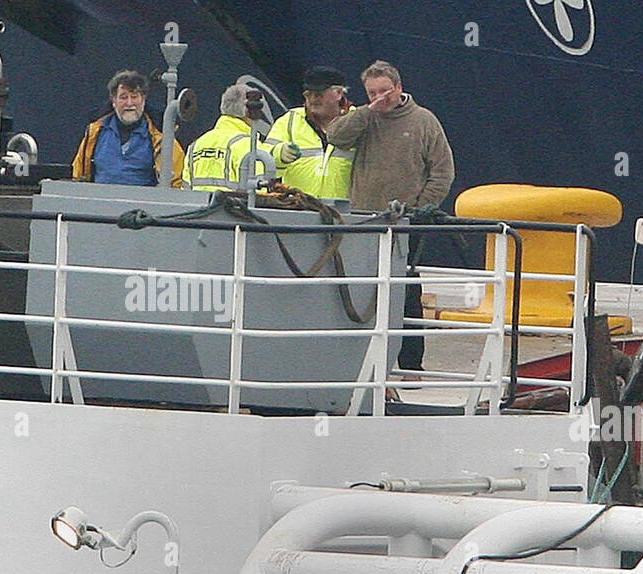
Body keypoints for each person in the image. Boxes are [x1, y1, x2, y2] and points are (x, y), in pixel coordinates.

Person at [326, 60, 455, 371]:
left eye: (384, 91)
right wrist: (367, 111)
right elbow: (335, 136)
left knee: (407, 290)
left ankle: (411, 365)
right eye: (372, 92)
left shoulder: (424, 121)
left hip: (405, 222)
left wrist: (420, 209)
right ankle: (361, 362)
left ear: (398, 88)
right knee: (362, 289)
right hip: (364, 221)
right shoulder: (364, 119)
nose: (379, 97)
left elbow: (442, 171)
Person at [71, 70, 185, 187]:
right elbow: (79, 175)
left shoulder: (162, 137)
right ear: (113, 101)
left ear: (143, 99)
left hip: (144, 204)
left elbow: (175, 182)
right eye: (123, 97)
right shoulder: (94, 132)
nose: (129, 103)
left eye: (134, 97)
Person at [185, 84, 298, 192]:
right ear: (249, 111)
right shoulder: (250, 146)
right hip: (234, 211)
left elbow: (185, 189)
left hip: (199, 210)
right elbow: (260, 192)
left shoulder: (195, 146)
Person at [266, 66, 355, 200]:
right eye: (308, 94)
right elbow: (263, 161)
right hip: (297, 210)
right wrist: (279, 154)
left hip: (344, 214)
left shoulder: (358, 121)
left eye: (319, 94)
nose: (313, 99)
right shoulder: (289, 121)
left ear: (339, 93)